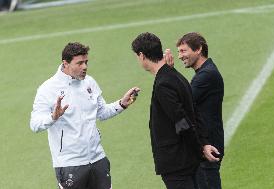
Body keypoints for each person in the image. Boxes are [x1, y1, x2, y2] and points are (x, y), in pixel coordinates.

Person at [30, 42, 139, 189]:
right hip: (70, 164)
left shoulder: (89, 83)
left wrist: (122, 104)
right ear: (65, 63)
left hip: (97, 158)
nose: (85, 67)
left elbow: (101, 112)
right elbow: (35, 124)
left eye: (86, 62)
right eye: (79, 63)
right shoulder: (47, 89)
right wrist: (53, 117)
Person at [131, 32, 219, 189]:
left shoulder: (163, 83)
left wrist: (200, 148)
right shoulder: (176, 75)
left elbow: (182, 122)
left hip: (177, 164)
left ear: (142, 55)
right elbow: (194, 113)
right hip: (187, 161)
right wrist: (203, 143)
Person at [165, 32, 224, 189]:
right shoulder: (204, 73)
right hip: (205, 146)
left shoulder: (207, 75)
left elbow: (182, 101)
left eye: (183, 51)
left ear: (198, 49)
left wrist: (169, 73)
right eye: (179, 52)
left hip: (208, 148)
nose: (180, 56)